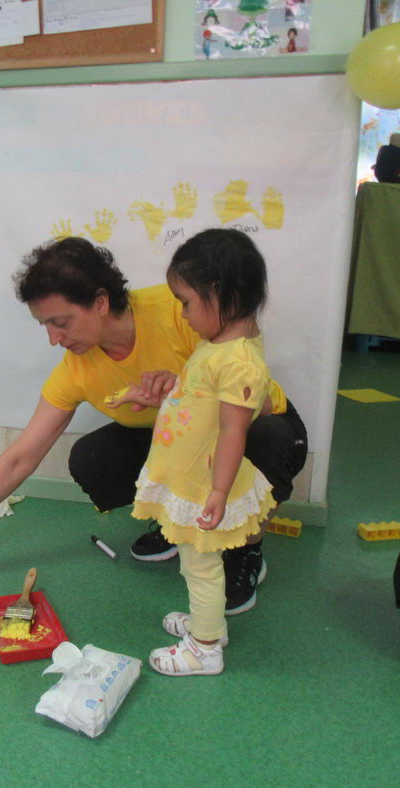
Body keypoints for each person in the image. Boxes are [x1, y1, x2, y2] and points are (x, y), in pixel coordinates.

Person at [0, 237, 306, 614]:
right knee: (93, 459)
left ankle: (245, 549)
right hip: (179, 440)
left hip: (257, 419)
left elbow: (246, 384)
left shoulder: (183, 309)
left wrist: (181, 387)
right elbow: (20, 458)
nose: (54, 339)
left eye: (61, 322)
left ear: (99, 301)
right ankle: (174, 522)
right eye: (45, 326)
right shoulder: (76, 370)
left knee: (266, 440)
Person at [129, 228, 275, 676]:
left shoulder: (238, 360)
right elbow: (203, 400)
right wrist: (170, 397)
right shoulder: (220, 346)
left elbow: (235, 430)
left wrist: (217, 492)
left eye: (187, 302)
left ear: (220, 295)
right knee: (199, 565)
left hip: (204, 483)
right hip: (192, 476)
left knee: (201, 567)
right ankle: (207, 625)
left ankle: (205, 648)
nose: (183, 313)